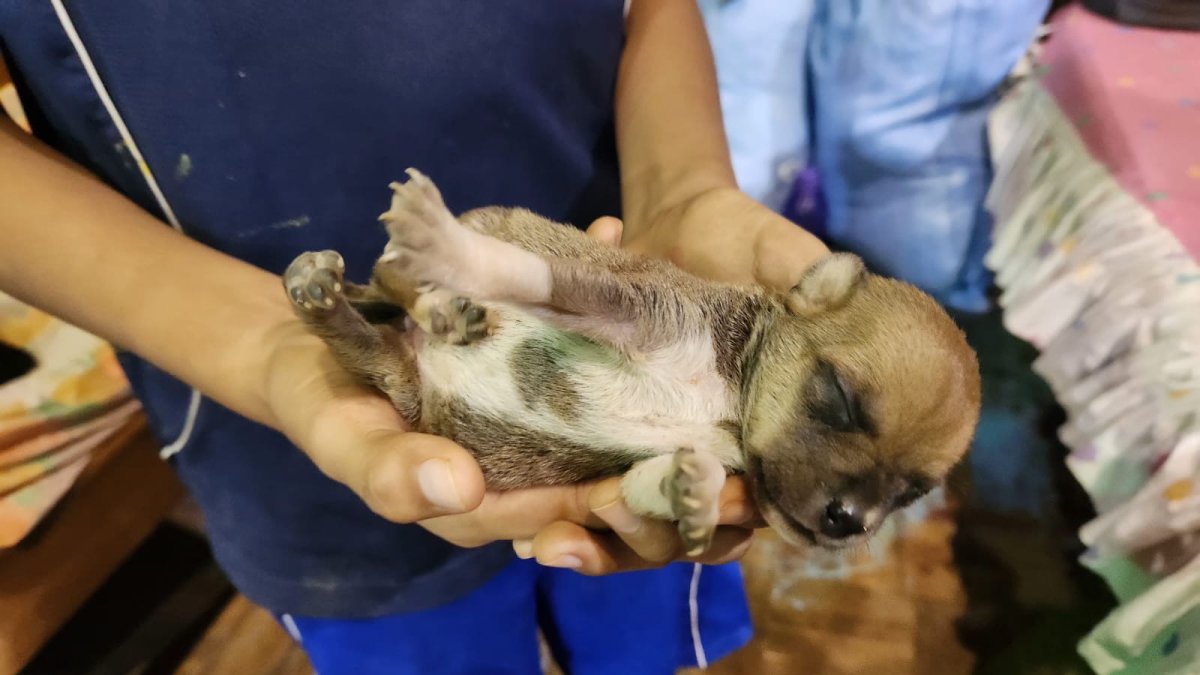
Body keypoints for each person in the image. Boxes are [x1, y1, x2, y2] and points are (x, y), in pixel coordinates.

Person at [0, 2, 827, 673]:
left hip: (616, 277)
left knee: (643, 627)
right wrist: (260, 344)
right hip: (279, 435)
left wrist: (680, 188)